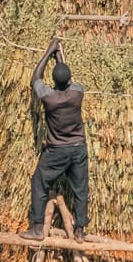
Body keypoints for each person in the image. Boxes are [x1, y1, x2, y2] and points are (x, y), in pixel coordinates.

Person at [22, 37, 87, 240]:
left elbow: (36, 77)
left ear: (53, 81)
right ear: (69, 79)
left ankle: (37, 228)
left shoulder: (49, 98)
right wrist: (60, 55)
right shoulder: (77, 92)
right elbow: (68, 79)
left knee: (39, 183)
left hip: (57, 151)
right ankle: (80, 230)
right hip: (78, 148)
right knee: (81, 189)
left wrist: (49, 51)